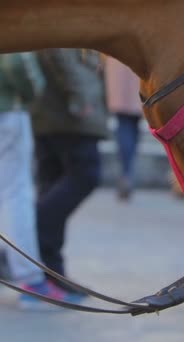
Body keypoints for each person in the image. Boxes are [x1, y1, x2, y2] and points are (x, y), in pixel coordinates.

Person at [0, 53, 79, 309]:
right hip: (6, 110)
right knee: (15, 196)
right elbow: (15, 59)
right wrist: (33, 90)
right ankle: (31, 283)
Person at [31, 49, 109, 294]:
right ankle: (24, 243)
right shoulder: (61, 13)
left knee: (51, 183)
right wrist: (80, 98)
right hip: (70, 115)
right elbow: (57, 49)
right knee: (85, 175)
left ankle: (49, 270)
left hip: (50, 113)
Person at [104, 57, 143, 201]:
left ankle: (126, 173)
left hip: (118, 63)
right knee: (133, 122)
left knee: (124, 123)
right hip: (139, 65)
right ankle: (128, 173)